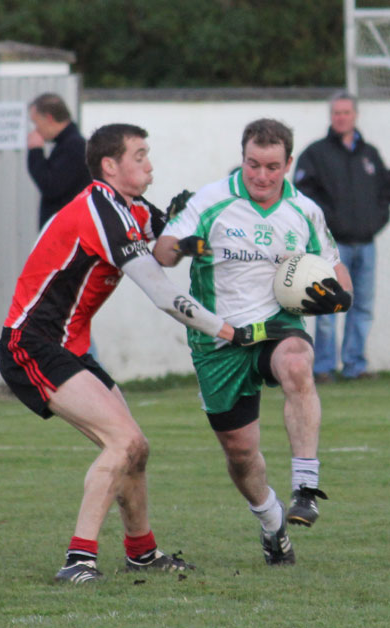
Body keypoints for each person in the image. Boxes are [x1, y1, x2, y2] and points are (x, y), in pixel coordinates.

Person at [0, 123, 291, 584]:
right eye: (140, 155)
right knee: (123, 443)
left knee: (138, 449)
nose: (150, 164)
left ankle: (142, 553)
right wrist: (229, 331)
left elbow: (171, 244)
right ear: (110, 166)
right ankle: (78, 561)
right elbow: (159, 291)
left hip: (67, 347)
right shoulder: (99, 208)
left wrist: (232, 234)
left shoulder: (130, 207)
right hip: (30, 343)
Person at [154, 118, 353, 566]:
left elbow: (338, 273)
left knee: (298, 364)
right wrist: (184, 245)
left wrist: (339, 300)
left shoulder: (305, 211)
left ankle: (306, 487)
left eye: (272, 166)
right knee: (241, 454)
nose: (262, 176)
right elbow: (161, 253)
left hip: (278, 325)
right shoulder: (210, 201)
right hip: (218, 340)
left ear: (289, 164)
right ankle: (272, 522)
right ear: (242, 157)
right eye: (252, 165)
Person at [294, 91, 390, 382]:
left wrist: (374, 223)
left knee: (361, 306)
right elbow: (303, 196)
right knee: (327, 307)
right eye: (336, 113)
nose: (341, 117)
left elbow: (385, 193)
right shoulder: (315, 154)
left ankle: (354, 366)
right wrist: (330, 225)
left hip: (366, 245)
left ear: (355, 115)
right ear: (330, 116)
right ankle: (323, 368)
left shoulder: (370, 154)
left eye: (346, 112)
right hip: (331, 249)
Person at [27, 92, 91, 229]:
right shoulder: (67, 144)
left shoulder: (73, 146)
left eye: (36, 123)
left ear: (49, 118)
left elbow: (51, 186)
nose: (36, 129)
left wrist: (35, 151)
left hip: (67, 232)